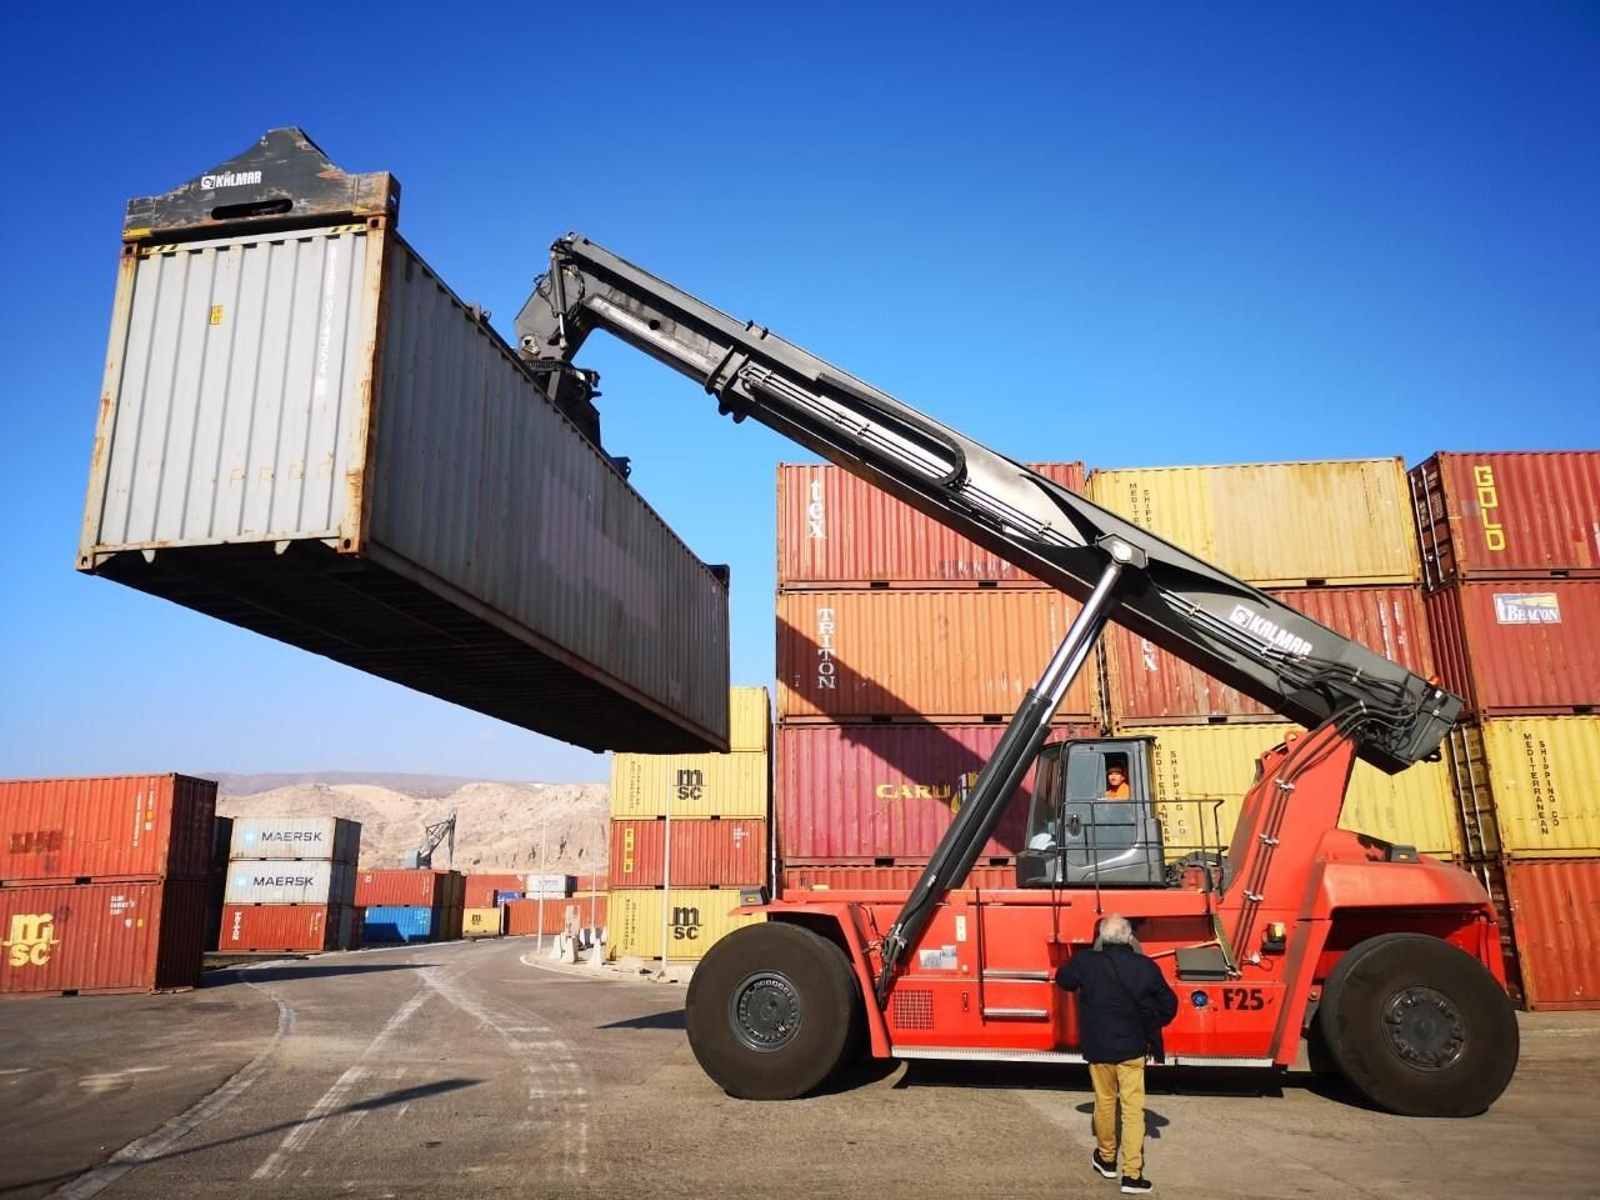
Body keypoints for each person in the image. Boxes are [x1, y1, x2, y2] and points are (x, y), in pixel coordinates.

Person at [1055, 914, 1179, 1194]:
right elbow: (1169, 1005)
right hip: (1133, 1049)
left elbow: (1063, 979)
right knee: (1134, 1111)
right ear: (1129, 937)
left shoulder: (1086, 963)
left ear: (1101, 937)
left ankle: (1107, 1159)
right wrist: (1151, 1021)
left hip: (1099, 1048)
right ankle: (1132, 1175)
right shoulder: (1145, 967)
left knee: (1105, 1103)